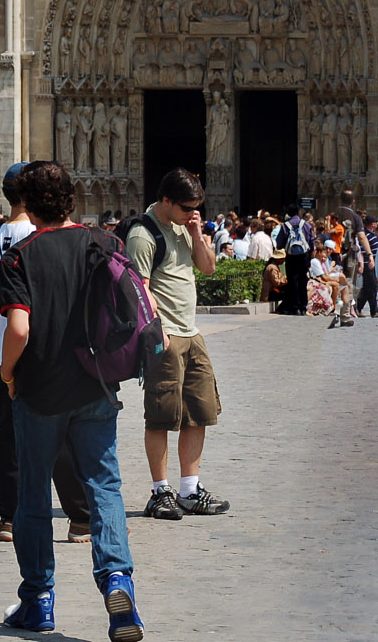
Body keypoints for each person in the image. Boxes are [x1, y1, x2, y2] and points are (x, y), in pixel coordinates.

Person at [0, 159, 142, 642]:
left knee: (34, 494)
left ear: (28, 205)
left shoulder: (19, 256)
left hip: (39, 392)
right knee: (104, 485)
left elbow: (18, 328)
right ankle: (118, 583)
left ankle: (38, 600)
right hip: (96, 385)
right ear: (73, 199)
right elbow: (144, 306)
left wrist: (7, 371)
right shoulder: (107, 244)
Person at [0, 167, 96, 548]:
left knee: (8, 440)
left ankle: (8, 520)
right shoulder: (44, 235)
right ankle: (79, 518)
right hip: (50, 352)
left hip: (5, 357)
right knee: (60, 440)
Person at [124, 169, 228, 523]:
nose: (191, 213)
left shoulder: (186, 227)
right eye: (186, 207)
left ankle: (189, 489)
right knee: (161, 416)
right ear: (166, 200)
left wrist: (197, 233)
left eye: (197, 208)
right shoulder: (143, 234)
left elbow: (209, 268)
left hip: (191, 332)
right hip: (164, 335)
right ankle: (160, 491)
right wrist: (157, 332)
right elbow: (138, 289)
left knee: (199, 411)